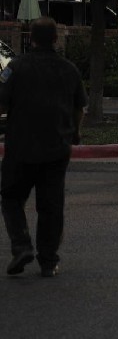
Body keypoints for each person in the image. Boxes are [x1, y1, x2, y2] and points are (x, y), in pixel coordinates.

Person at [0, 17, 87, 277]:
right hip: (56, 148)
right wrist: (75, 132)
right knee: (50, 206)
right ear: (55, 39)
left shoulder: (15, 68)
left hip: (20, 147)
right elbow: (78, 108)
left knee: (11, 198)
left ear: (31, 39)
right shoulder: (69, 69)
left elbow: (2, 105)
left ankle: (21, 245)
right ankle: (48, 261)